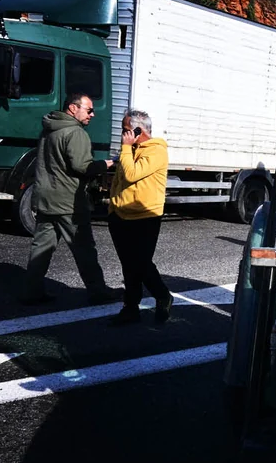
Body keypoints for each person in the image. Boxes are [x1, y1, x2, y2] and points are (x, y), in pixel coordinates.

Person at [21, 94, 120, 306]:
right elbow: (83, 167)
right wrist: (107, 164)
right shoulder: (75, 133)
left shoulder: (49, 129)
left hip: (46, 198)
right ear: (73, 109)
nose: (93, 114)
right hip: (68, 202)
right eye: (89, 110)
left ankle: (31, 291)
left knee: (41, 248)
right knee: (84, 248)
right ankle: (98, 291)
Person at [107, 110, 173, 326]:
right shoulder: (131, 149)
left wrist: (126, 149)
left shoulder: (156, 151)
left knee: (141, 264)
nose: (122, 135)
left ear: (138, 130)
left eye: (125, 130)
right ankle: (131, 307)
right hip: (120, 215)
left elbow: (132, 174)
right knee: (128, 265)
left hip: (145, 216)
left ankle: (163, 295)